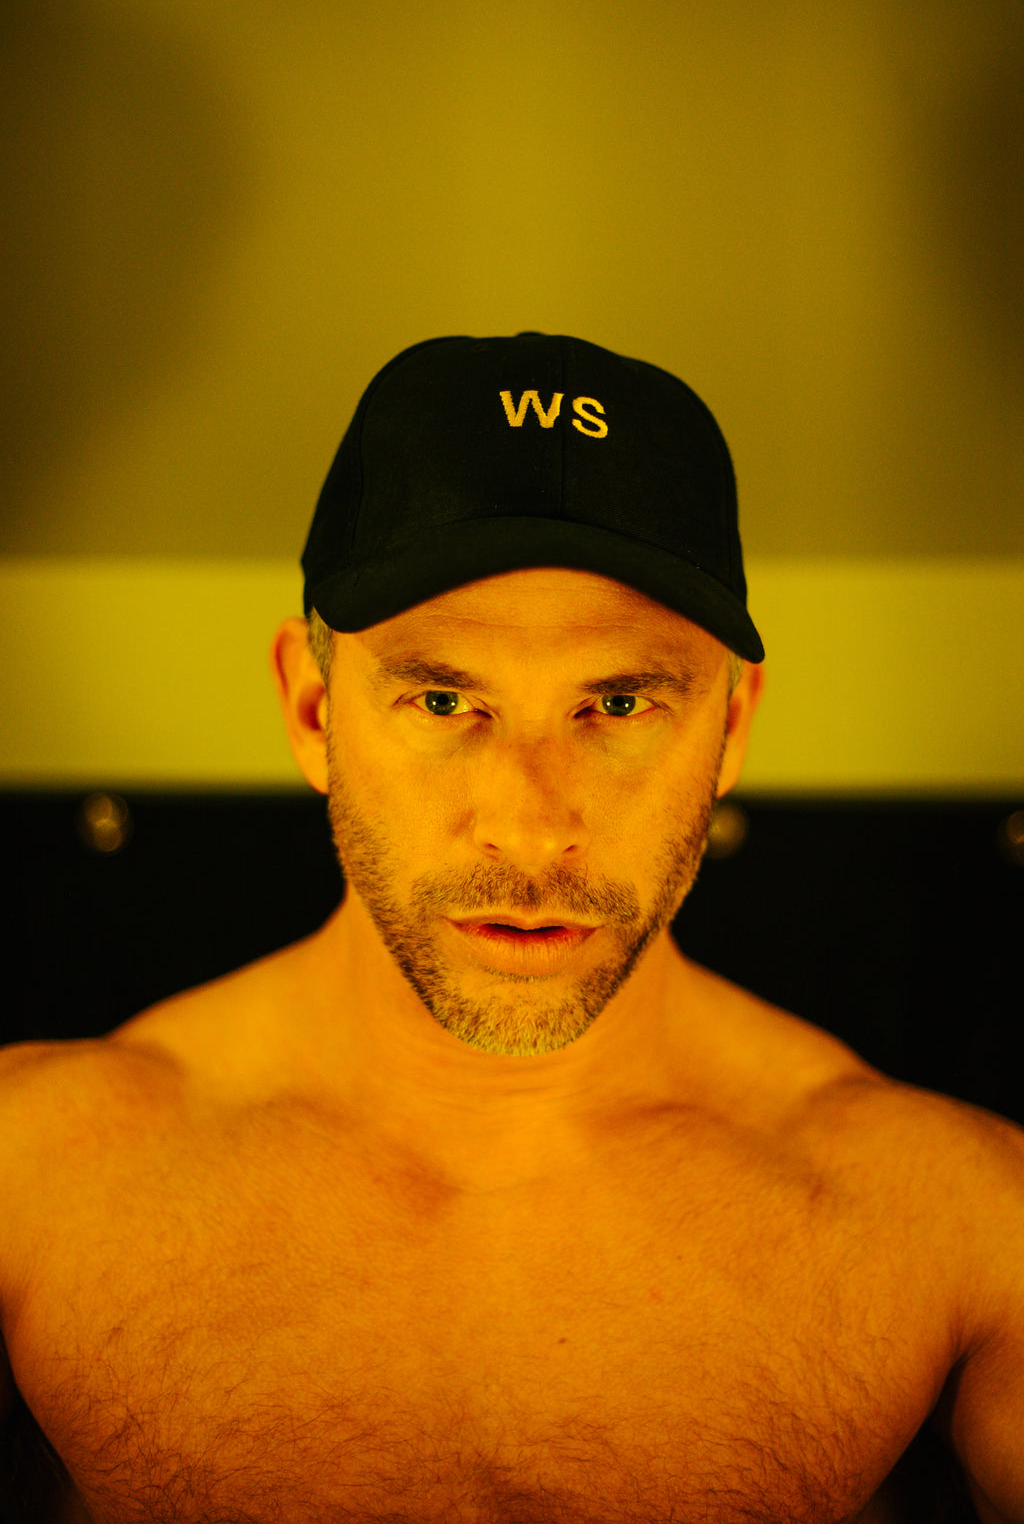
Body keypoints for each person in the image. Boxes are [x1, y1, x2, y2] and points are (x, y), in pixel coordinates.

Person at [1, 332, 1021, 1524]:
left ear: (732, 725)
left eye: (618, 704)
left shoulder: (956, 1222)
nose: (532, 830)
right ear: (312, 708)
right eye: (444, 700)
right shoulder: (34, 1177)